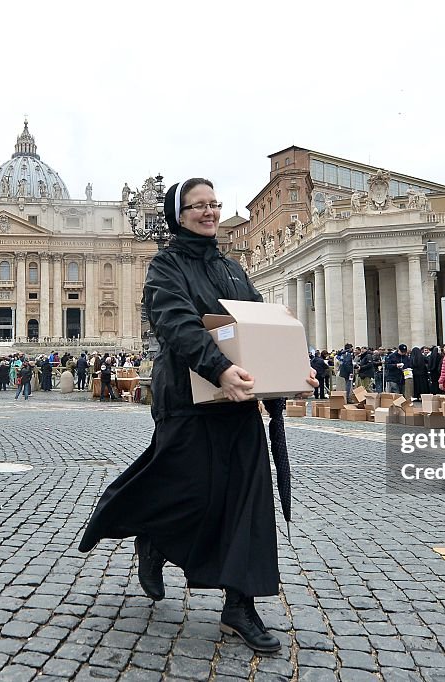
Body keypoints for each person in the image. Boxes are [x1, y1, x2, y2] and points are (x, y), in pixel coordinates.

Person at [78, 178, 317, 654]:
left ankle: (239, 605)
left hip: (237, 402)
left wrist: (294, 367)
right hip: (186, 401)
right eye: (198, 207)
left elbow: (260, 324)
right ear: (179, 215)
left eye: (214, 204)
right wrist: (219, 367)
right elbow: (177, 324)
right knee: (185, 488)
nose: (209, 213)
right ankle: (152, 537)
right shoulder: (165, 267)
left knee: (248, 500)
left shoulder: (232, 268)